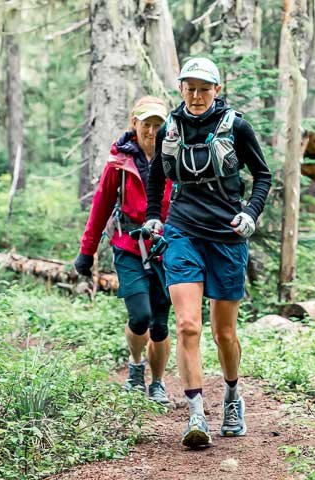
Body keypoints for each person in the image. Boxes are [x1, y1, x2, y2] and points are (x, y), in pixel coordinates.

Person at [143, 57, 272, 449]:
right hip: (182, 233)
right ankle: (196, 413)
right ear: (180, 89)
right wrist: (153, 216)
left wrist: (250, 213)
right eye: (189, 88)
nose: (196, 96)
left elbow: (263, 174)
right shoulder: (170, 129)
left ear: (217, 90)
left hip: (227, 236)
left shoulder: (237, 126)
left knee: (224, 332)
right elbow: (157, 176)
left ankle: (233, 397)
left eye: (204, 88)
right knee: (186, 326)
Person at [73, 96, 174, 405]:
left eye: (159, 124)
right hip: (129, 246)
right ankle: (135, 366)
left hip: (166, 248)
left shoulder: (175, 158)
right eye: (147, 124)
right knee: (140, 316)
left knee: (160, 324)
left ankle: (157, 383)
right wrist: (87, 252)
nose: (152, 131)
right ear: (134, 123)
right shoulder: (118, 162)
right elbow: (101, 206)